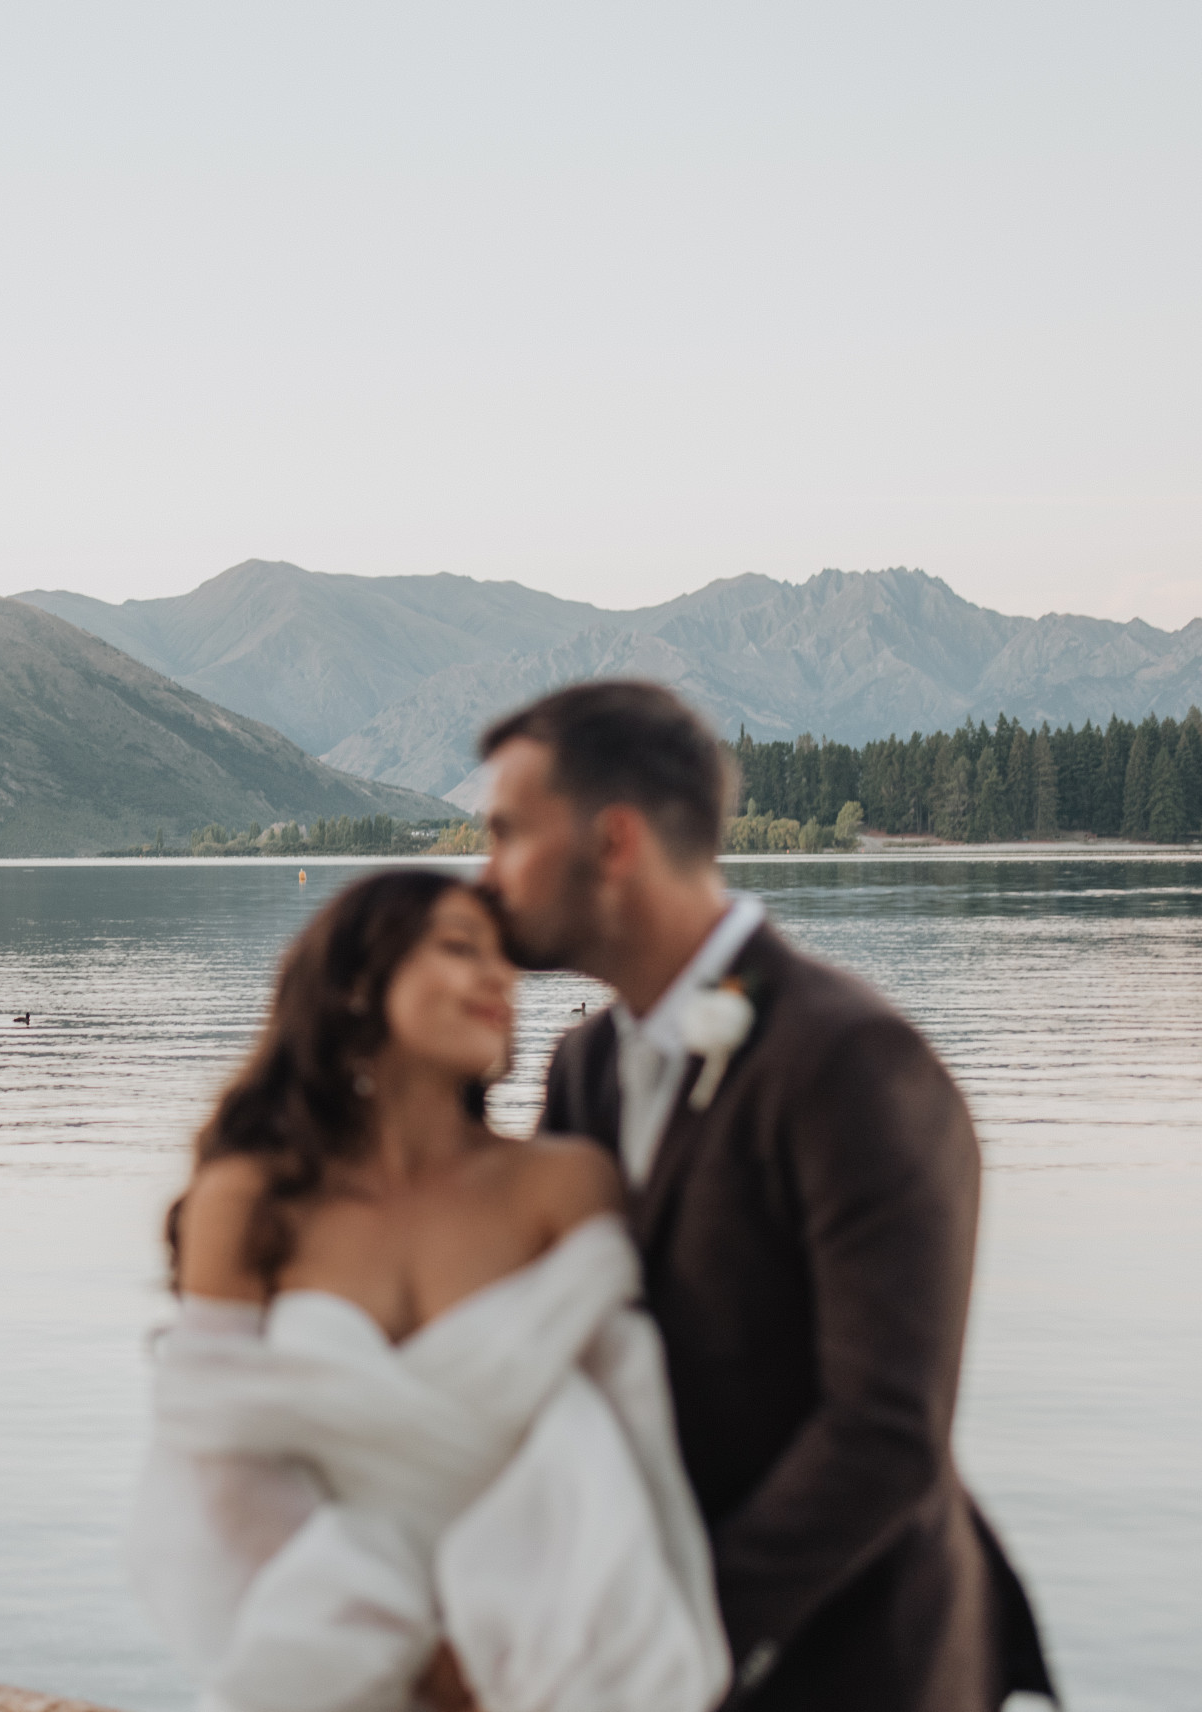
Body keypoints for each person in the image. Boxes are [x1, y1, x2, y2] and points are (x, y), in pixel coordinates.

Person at [473, 680, 1053, 1711]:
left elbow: (884, 1427)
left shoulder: (852, 1060)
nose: (484, 875)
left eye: (507, 832)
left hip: (855, 1663)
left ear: (612, 842)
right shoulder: (580, 1067)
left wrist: (683, 1635)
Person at [130, 869, 731, 1712]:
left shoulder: (562, 1188)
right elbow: (214, 1465)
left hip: (562, 1644)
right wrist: (402, 1654)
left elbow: (632, 1431)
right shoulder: (250, 1200)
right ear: (355, 985)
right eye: (458, 949)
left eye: (503, 961)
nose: (499, 978)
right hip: (318, 1649)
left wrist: (498, 1651)